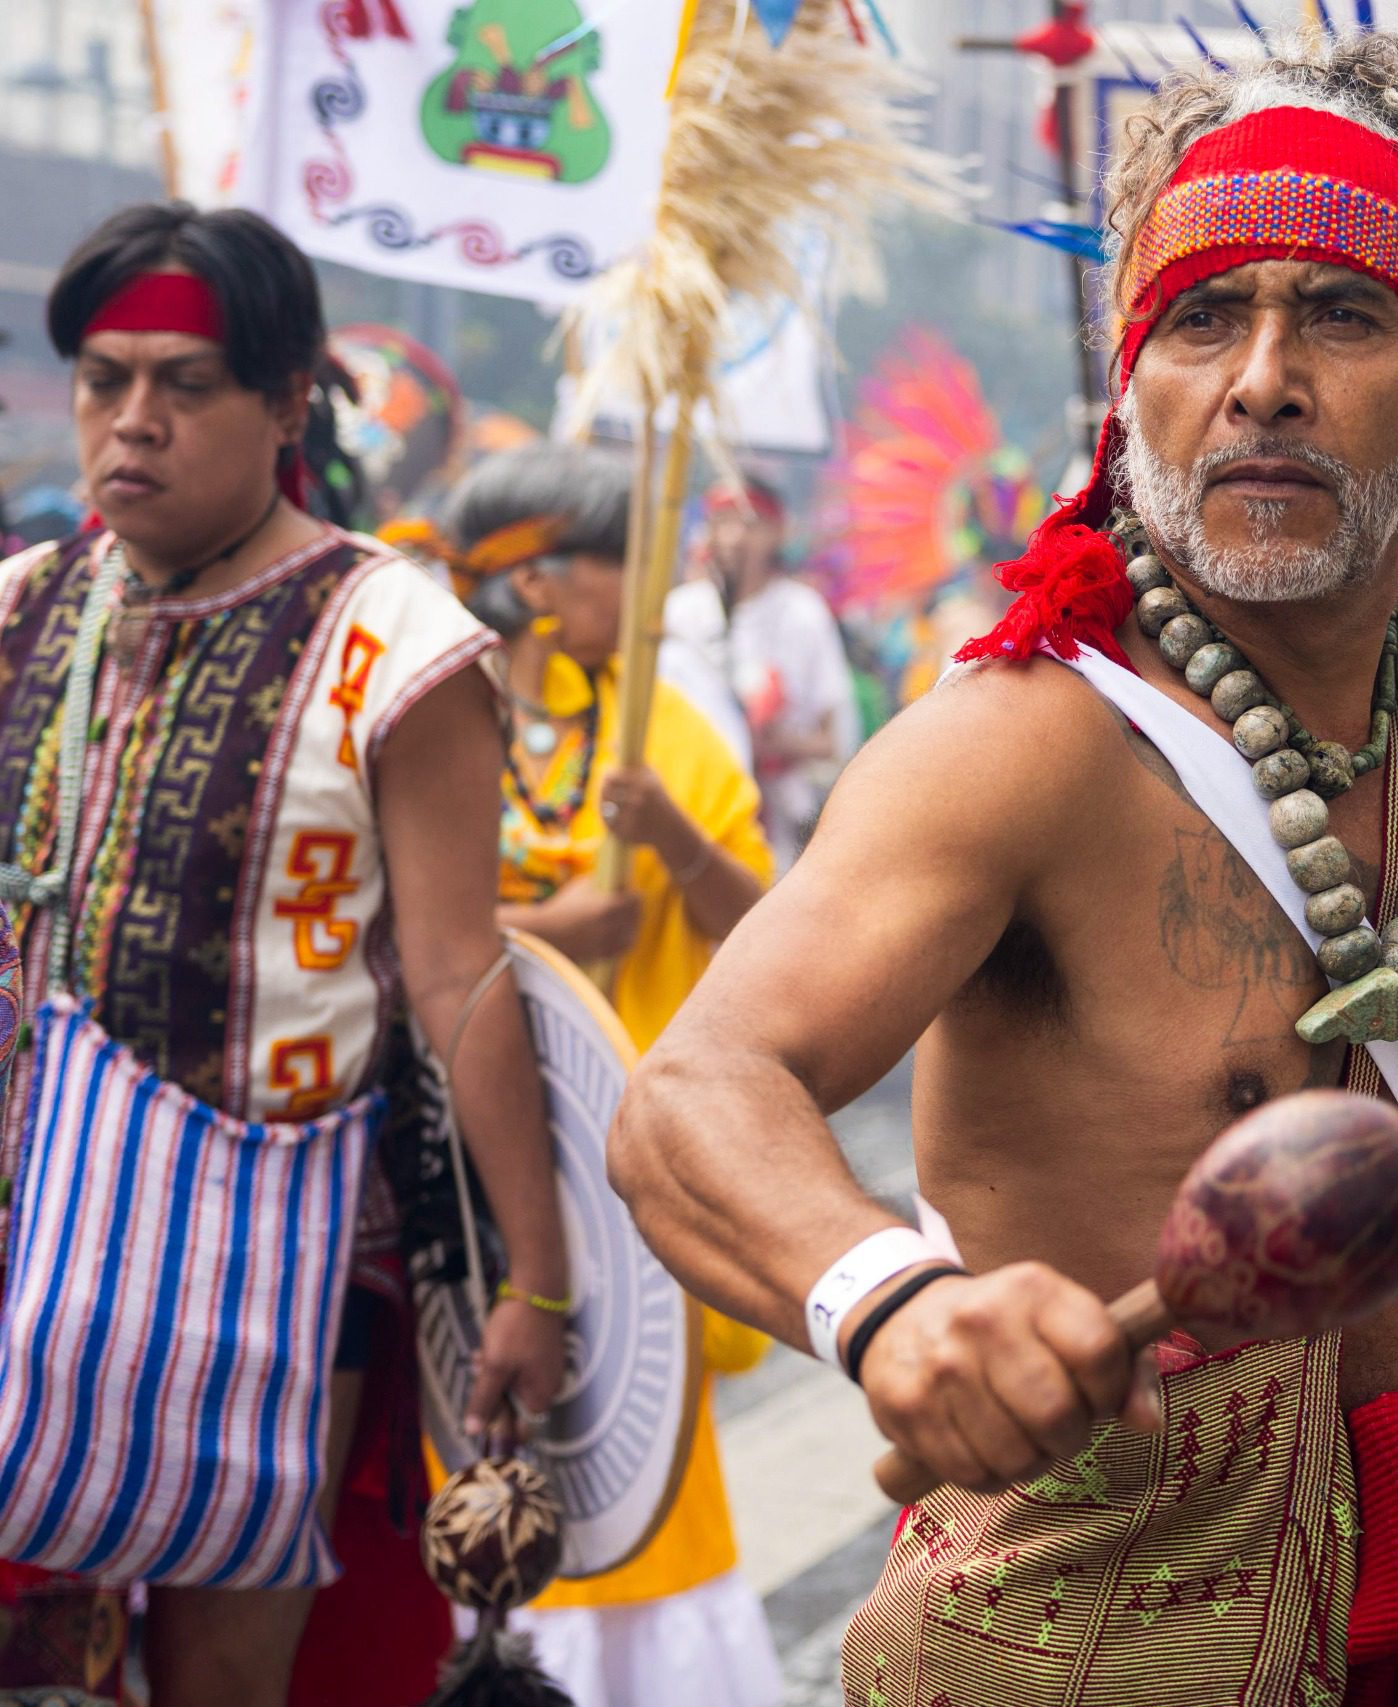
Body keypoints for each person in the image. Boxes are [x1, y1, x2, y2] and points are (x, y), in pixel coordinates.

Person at [610, 33, 1398, 1705]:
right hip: (1085, 1629)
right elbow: (693, 1090)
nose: (1264, 378)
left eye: (1342, 316)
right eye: (1203, 318)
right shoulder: (1026, 737)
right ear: (1127, 384)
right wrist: (893, 1306)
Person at [0, 202, 568, 1707]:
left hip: (273, 1261)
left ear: (290, 401)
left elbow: (456, 969)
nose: (134, 423)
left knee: (229, 1681)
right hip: (9, 1253)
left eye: (188, 384)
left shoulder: (395, 639)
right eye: (106, 381)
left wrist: (534, 1278)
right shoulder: (4, 615)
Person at [424, 442, 783, 1706]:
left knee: (628, 1489)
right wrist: (550, 934)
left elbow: (769, 934)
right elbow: (373, 925)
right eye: (617, 565)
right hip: (441, 1181)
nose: (643, 594)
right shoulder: (425, 706)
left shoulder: (661, 727)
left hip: (620, 1178)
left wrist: (676, 842)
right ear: (533, 580)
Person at [665, 475, 863, 863]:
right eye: (723, 522)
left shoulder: (803, 612)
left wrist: (770, 743)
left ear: (777, 532)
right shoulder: (681, 612)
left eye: (750, 522)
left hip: (783, 821)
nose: (735, 538)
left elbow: (835, 740)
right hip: (693, 809)